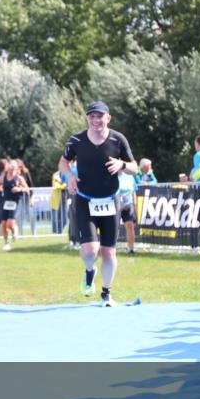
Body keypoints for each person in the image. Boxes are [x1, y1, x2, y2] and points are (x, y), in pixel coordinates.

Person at [59, 101, 137, 307]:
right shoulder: (76, 140)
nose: (96, 120)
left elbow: (134, 167)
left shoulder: (118, 139)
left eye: (100, 116)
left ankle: (106, 294)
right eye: (92, 116)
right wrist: (69, 177)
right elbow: (63, 162)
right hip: (85, 200)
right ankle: (89, 270)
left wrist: (122, 164)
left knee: (108, 251)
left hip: (111, 200)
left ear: (108, 118)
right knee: (89, 252)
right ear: (87, 119)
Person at [0, 160, 29, 251]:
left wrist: (19, 189)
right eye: (9, 166)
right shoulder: (3, 177)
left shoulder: (19, 178)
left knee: (10, 224)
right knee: (3, 224)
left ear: (16, 168)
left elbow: (27, 189)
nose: (10, 168)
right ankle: (6, 243)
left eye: (13, 167)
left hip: (15, 202)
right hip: (5, 202)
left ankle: (14, 230)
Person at [117, 171, 138, 255]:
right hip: (114, 206)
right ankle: (110, 248)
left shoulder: (129, 177)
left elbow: (134, 191)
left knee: (130, 226)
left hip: (128, 206)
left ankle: (131, 249)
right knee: (112, 228)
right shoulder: (110, 175)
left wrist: (135, 205)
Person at [50, 170, 67, 234]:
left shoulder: (67, 174)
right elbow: (57, 186)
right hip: (56, 200)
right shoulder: (56, 175)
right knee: (55, 219)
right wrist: (65, 184)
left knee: (64, 219)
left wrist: (62, 182)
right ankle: (55, 232)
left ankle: (59, 231)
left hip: (64, 200)